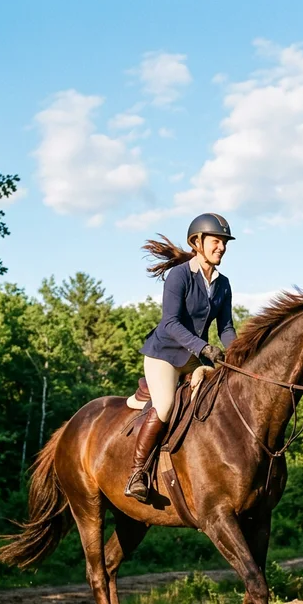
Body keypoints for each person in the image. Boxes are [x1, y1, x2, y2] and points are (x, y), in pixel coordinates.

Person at [124, 213, 238, 502]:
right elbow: (171, 323)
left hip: (193, 355)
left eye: (224, 242)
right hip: (164, 354)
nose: (221, 247)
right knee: (164, 406)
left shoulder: (223, 284)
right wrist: (204, 349)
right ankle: (137, 473)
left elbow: (225, 328)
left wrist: (239, 355)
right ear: (197, 243)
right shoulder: (180, 275)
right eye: (216, 241)